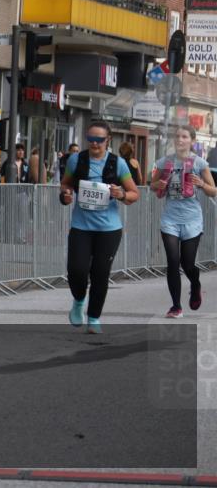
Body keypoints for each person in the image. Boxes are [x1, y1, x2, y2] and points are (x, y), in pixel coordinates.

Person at [59, 121, 140, 334]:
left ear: (108, 140)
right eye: (91, 139)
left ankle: (94, 317)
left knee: (100, 274)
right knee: (76, 270)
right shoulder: (76, 160)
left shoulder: (118, 164)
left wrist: (121, 194)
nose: (94, 144)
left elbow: (134, 194)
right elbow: (66, 183)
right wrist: (66, 195)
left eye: (99, 140)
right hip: (81, 226)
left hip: (109, 229)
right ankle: (78, 301)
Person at [150, 126, 216, 318]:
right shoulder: (164, 162)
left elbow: (214, 190)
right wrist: (159, 184)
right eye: (177, 136)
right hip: (170, 219)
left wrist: (202, 184)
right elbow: (152, 185)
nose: (180, 139)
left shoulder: (199, 163)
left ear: (192, 141)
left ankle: (195, 285)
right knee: (172, 261)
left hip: (192, 220)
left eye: (184, 136)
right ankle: (176, 306)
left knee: (188, 264)